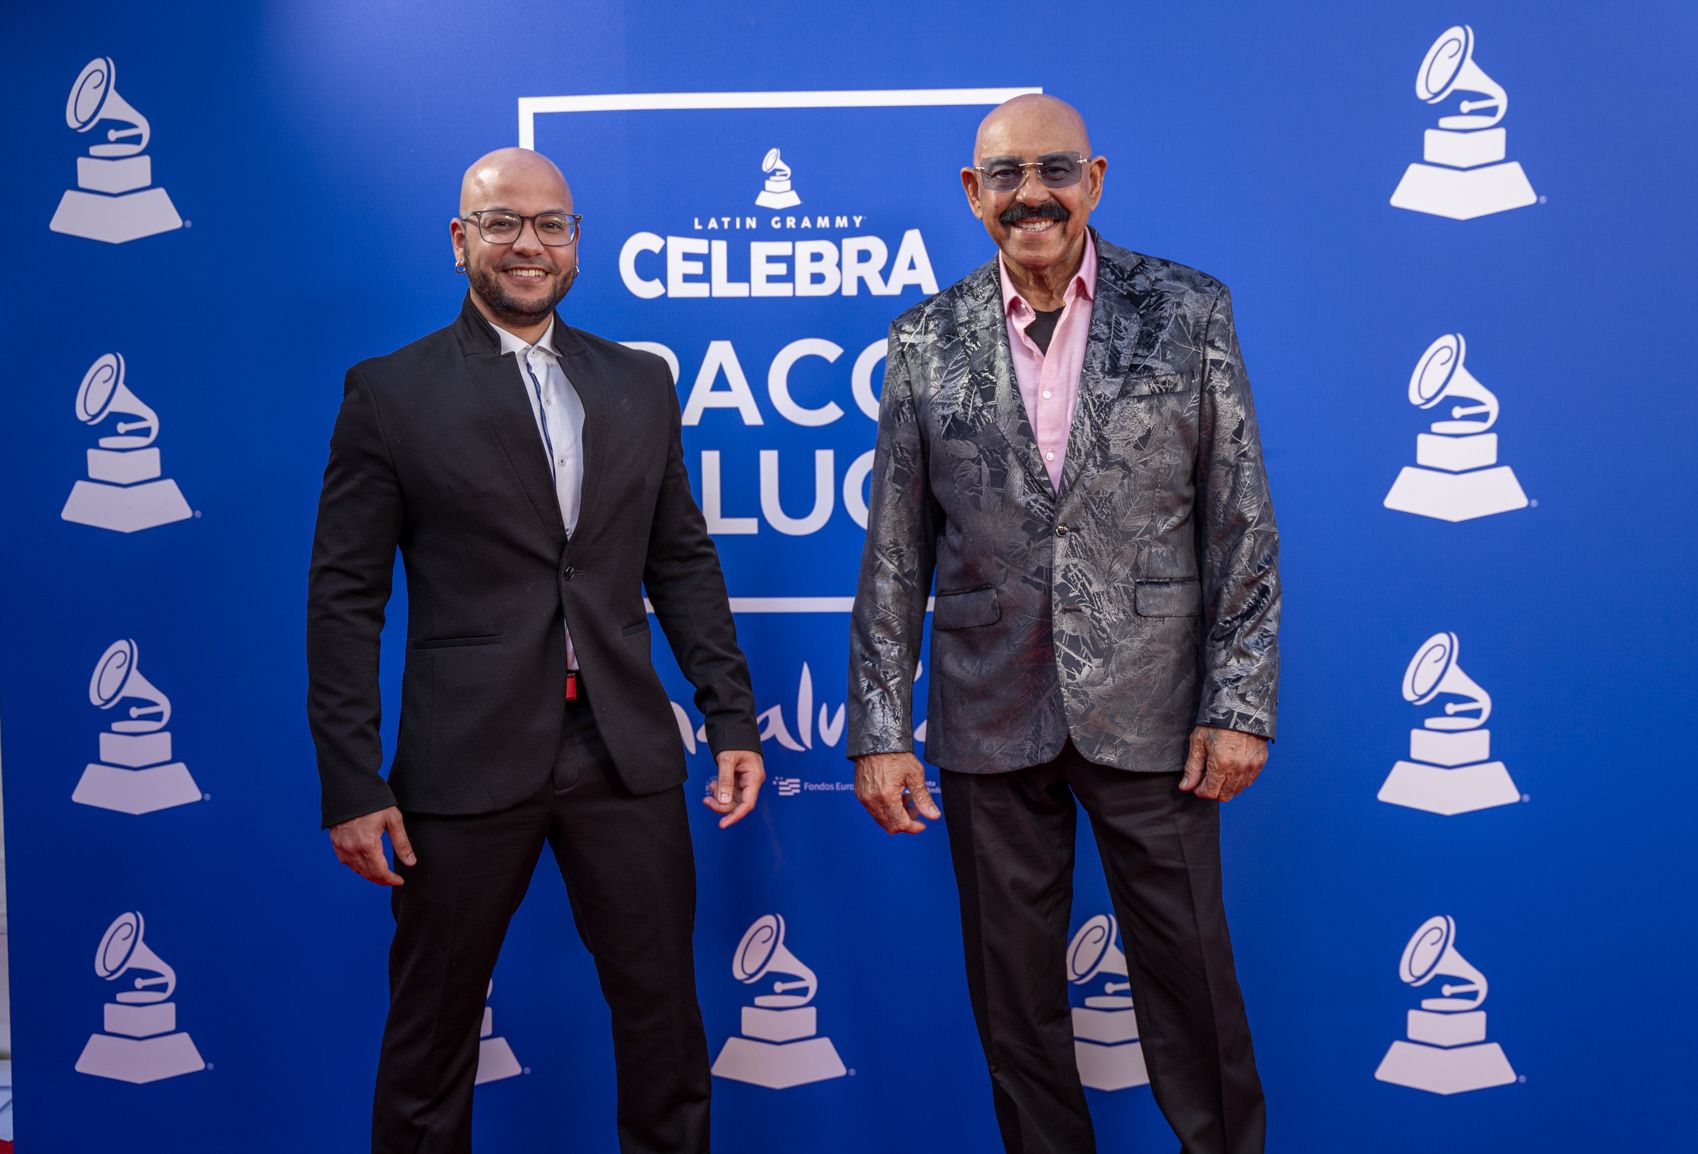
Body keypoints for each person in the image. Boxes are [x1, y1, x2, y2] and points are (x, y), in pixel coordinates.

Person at [307, 147, 765, 1154]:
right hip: (462, 760)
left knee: (666, 1031)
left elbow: (680, 560)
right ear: (460, 240)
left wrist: (729, 709)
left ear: (574, 242)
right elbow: (345, 599)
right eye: (504, 222)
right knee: (431, 1036)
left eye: (551, 224)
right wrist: (350, 778)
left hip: (625, 751)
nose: (529, 244)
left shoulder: (640, 382)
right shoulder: (389, 393)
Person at [847, 95, 1279, 1154]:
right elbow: (896, 549)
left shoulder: (1188, 309)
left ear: (1093, 177)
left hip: (1158, 707)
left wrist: (1239, 701)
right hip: (988, 708)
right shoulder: (922, 338)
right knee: (1014, 1001)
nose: (1030, 194)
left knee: (1193, 985)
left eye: (1053, 171)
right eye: (1005, 175)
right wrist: (878, 726)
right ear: (973, 192)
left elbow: (1240, 521)